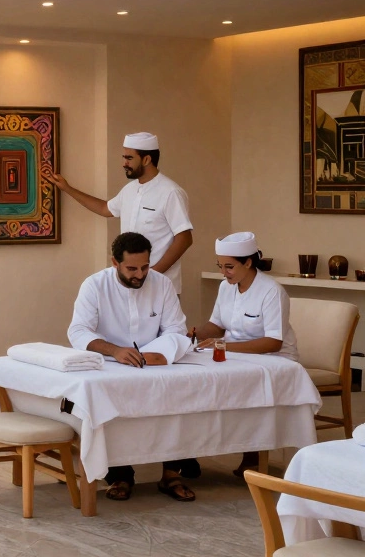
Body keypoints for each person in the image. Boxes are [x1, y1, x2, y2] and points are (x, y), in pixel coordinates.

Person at [68, 232, 196, 503]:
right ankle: (120, 476)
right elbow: (78, 331)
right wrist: (114, 350)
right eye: (132, 268)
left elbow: (176, 329)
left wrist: (156, 354)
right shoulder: (94, 285)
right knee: (111, 413)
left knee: (181, 399)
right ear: (115, 262)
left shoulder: (161, 284)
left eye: (145, 267)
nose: (140, 274)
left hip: (156, 366)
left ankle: (171, 474)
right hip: (111, 366)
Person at [191, 231, 298, 476]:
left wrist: (223, 346)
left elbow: (273, 342)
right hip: (235, 356)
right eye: (220, 266)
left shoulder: (271, 291)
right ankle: (191, 451)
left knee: (240, 383)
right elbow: (216, 326)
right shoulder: (225, 287)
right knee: (197, 378)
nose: (223, 272)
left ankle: (252, 454)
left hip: (275, 360)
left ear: (248, 262)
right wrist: (193, 333)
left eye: (229, 267)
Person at [48, 132, 194, 294]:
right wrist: (67, 189)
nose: (124, 163)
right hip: (128, 285)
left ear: (146, 159)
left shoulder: (170, 192)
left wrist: (151, 274)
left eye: (129, 158)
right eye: (124, 157)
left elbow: (184, 239)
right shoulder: (129, 190)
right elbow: (105, 209)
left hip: (160, 288)